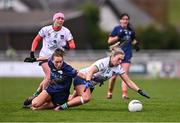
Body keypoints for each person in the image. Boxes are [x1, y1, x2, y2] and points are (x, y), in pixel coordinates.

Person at [54, 48, 150, 111]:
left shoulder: (118, 68)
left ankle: (55, 101)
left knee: (74, 100)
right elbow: (90, 72)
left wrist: (139, 90)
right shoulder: (103, 62)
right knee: (86, 98)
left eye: (122, 60)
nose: (120, 61)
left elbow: (128, 81)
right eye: (119, 59)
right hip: (82, 78)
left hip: (90, 84)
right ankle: (61, 107)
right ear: (112, 56)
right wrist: (87, 82)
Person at [23, 12, 76, 107]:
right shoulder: (46, 29)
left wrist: (66, 46)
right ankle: (42, 99)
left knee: (47, 78)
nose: (60, 20)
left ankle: (36, 94)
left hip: (57, 58)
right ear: (54, 20)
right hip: (44, 57)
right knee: (49, 76)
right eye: (58, 18)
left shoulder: (66, 31)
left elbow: (72, 45)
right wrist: (32, 52)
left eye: (62, 18)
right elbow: (36, 40)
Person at [107, 13, 140, 99]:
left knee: (124, 75)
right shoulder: (116, 29)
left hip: (127, 55)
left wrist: (136, 44)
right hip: (117, 55)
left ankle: (124, 94)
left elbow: (132, 40)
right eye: (123, 19)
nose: (125, 21)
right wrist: (118, 37)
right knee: (113, 76)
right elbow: (109, 41)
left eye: (127, 19)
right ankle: (110, 91)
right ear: (120, 20)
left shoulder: (130, 30)